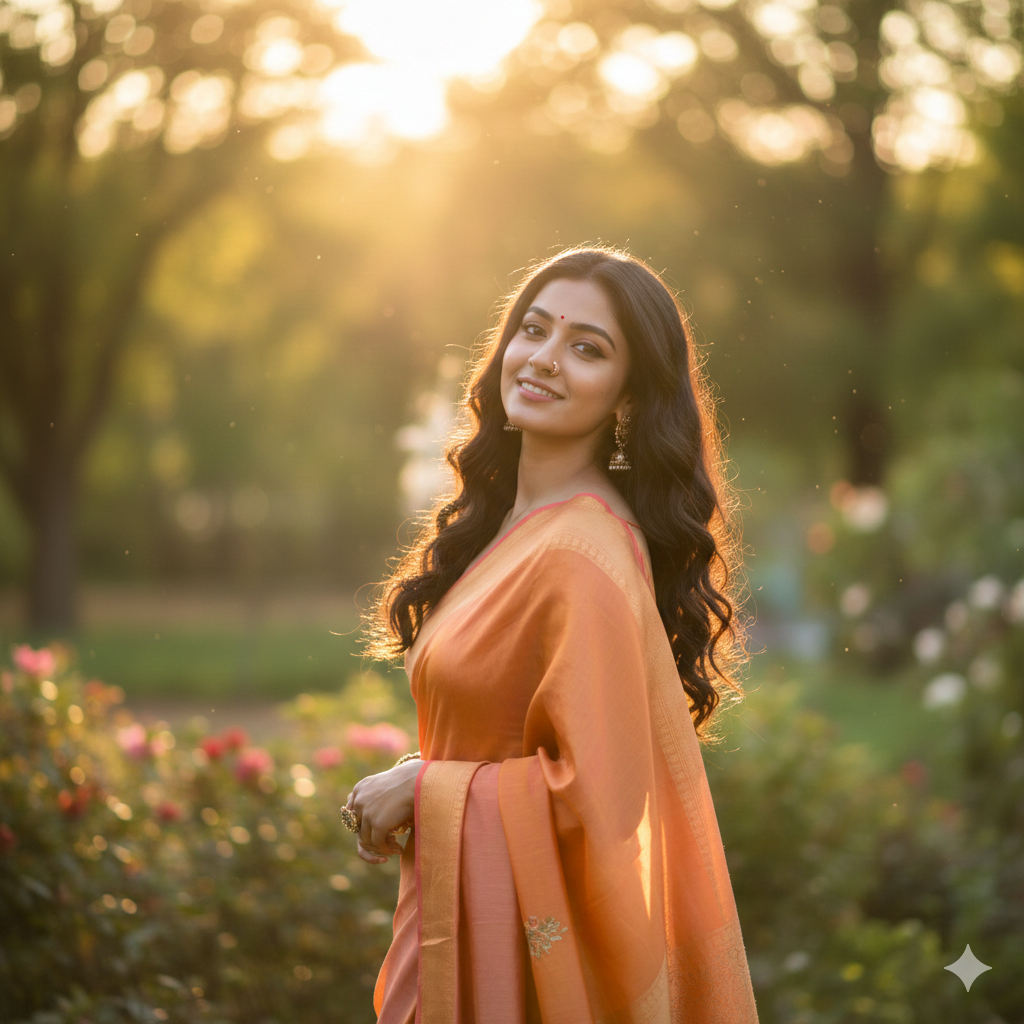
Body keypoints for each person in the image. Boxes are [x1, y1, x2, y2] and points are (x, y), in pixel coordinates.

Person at [347, 246, 760, 1023]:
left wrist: (423, 786)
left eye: (587, 348)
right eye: (533, 330)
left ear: (628, 398)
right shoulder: (520, 527)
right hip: (452, 937)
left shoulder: (582, 553)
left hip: (526, 982)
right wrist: (431, 776)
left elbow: (599, 795)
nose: (542, 358)